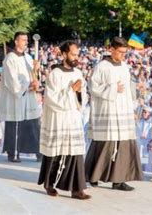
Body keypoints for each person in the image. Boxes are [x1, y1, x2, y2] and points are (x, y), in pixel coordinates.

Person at [85, 37, 143, 191]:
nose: (123, 55)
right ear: (111, 49)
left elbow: (128, 90)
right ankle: (92, 175)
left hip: (123, 110)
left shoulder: (124, 66)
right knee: (104, 144)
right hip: (107, 111)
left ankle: (118, 180)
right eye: (121, 52)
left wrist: (132, 110)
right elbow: (93, 87)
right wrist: (112, 89)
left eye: (125, 52)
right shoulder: (102, 66)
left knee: (123, 144)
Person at [38, 41, 91, 200]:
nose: (76, 57)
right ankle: (50, 184)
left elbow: (83, 97)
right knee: (56, 152)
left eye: (77, 54)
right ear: (64, 54)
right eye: (73, 54)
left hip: (73, 118)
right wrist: (71, 91)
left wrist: (79, 93)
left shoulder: (78, 73)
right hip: (59, 118)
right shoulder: (55, 73)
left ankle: (77, 189)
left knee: (75, 153)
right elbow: (51, 98)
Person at [0, 32, 41, 162]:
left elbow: (33, 76)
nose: (26, 42)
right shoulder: (10, 58)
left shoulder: (28, 57)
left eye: (27, 40)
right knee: (15, 125)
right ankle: (13, 152)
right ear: (16, 42)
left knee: (33, 123)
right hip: (16, 98)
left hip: (29, 96)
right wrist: (27, 87)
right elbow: (11, 81)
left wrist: (36, 72)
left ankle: (38, 151)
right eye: (23, 40)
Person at [136, 106, 152, 172]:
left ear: (150, 113)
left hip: (149, 145)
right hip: (140, 144)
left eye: (146, 112)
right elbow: (136, 134)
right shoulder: (139, 122)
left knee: (149, 161)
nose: (144, 113)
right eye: (143, 112)